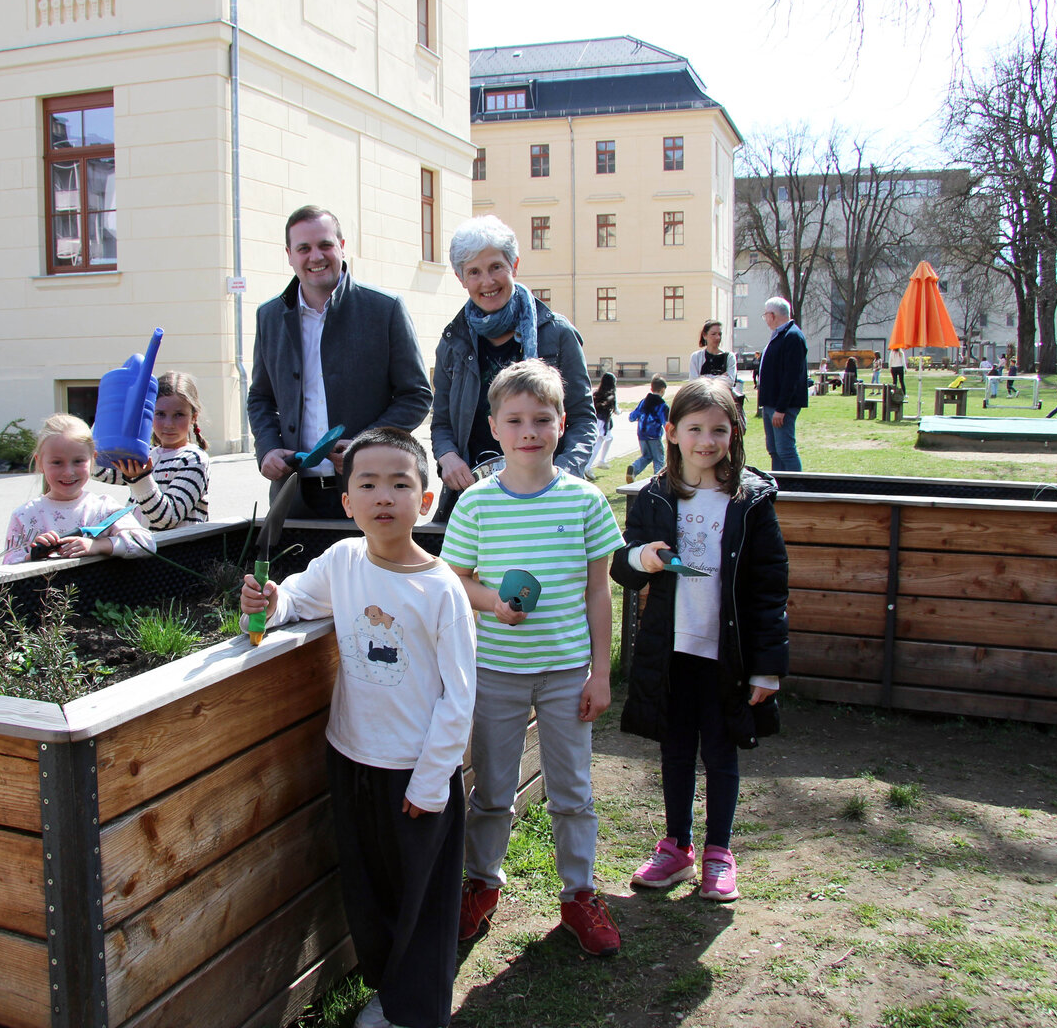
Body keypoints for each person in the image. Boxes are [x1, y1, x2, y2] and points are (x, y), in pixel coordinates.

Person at [240, 428, 474, 1028]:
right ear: (347, 503)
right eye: (367, 484)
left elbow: (458, 698)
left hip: (415, 774)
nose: (383, 496)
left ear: (425, 500)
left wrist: (430, 782)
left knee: (422, 896)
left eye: (400, 483)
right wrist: (268, 602)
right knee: (370, 887)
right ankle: (389, 991)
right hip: (350, 758)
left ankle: (416, 1011)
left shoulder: (441, 589)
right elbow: (297, 599)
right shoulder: (343, 560)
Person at [442, 359, 626, 958]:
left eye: (542, 419)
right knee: (492, 790)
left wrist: (601, 673)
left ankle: (580, 895)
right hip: (495, 672)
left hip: (567, 673)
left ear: (562, 423)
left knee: (572, 791)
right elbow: (456, 581)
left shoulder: (585, 501)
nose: (529, 431)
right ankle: (481, 885)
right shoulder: (476, 505)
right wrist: (493, 603)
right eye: (515, 420)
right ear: (494, 427)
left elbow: (598, 591)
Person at [610, 378, 788, 903]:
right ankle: (677, 847)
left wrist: (767, 667)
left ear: (735, 433)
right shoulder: (654, 496)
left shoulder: (750, 501)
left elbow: (769, 586)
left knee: (721, 751)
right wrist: (643, 557)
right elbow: (623, 565)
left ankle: (718, 852)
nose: (706, 441)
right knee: (675, 750)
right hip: (672, 654)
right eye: (694, 429)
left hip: (726, 656)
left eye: (718, 430)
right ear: (671, 432)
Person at [249, 205, 431, 519]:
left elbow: (416, 396)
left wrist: (364, 445)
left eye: (325, 245)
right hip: (293, 496)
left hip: (368, 492)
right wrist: (267, 448)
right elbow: (260, 398)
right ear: (289, 255)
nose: (315, 257)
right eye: (303, 248)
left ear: (342, 247)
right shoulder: (269, 316)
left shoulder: (384, 309)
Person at [431, 216, 595, 522]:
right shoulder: (452, 342)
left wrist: (563, 475)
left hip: (548, 496)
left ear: (514, 265)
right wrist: (447, 457)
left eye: (496, 267)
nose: (487, 281)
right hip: (474, 499)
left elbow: (583, 419)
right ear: (460, 277)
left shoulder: (557, 333)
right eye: (474, 272)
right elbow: (441, 424)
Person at [2, 414, 155, 564]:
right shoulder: (25, 515)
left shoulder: (104, 509)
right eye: (57, 462)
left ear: (93, 459)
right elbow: (8, 567)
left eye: (78, 461)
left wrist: (98, 546)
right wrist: (33, 556)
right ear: (40, 462)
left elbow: (146, 544)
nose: (68, 472)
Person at [99, 371, 210, 529]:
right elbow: (100, 471)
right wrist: (109, 411)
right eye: (160, 414)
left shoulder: (194, 459)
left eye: (179, 415)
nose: (169, 424)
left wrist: (140, 479)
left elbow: (167, 518)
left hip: (176, 544)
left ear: (193, 417)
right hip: (140, 542)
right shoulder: (147, 453)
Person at [756, 296, 809, 472]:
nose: (765, 319)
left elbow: (791, 376)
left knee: (785, 450)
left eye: (766, 315)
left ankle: (795, 485)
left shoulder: (792, 336)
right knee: (774, 450)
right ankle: (779, 484)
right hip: (770, 403)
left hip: (781, 406)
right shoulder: (779, 335)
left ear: (772, 315)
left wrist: (781, 408)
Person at [624, 376, 670, 483]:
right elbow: (666, 423)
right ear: (663, 390)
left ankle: (634, 468)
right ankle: (658, 481)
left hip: (641, 435)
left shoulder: (643, 402)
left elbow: (632, 417)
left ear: (651, 388)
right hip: (654, 435)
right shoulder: (662, 405)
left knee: (647, 456)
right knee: (659, 459)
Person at [585, 371, 618, 480]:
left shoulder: (596, 393)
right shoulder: (611, 396)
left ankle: (602, 460)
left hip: (595, 420)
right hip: (602, 423)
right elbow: (616, 410)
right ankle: (588, 466)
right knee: (597, 444)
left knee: (609, 438)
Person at [688, 320, 738, 390]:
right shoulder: (696, 357)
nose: (717, 337)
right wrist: (721, 378)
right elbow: (694, 382)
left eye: (719, 334)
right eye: (713, 334)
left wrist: (703, 378)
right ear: (705, 336)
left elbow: (730, 381)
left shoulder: (729, 357)